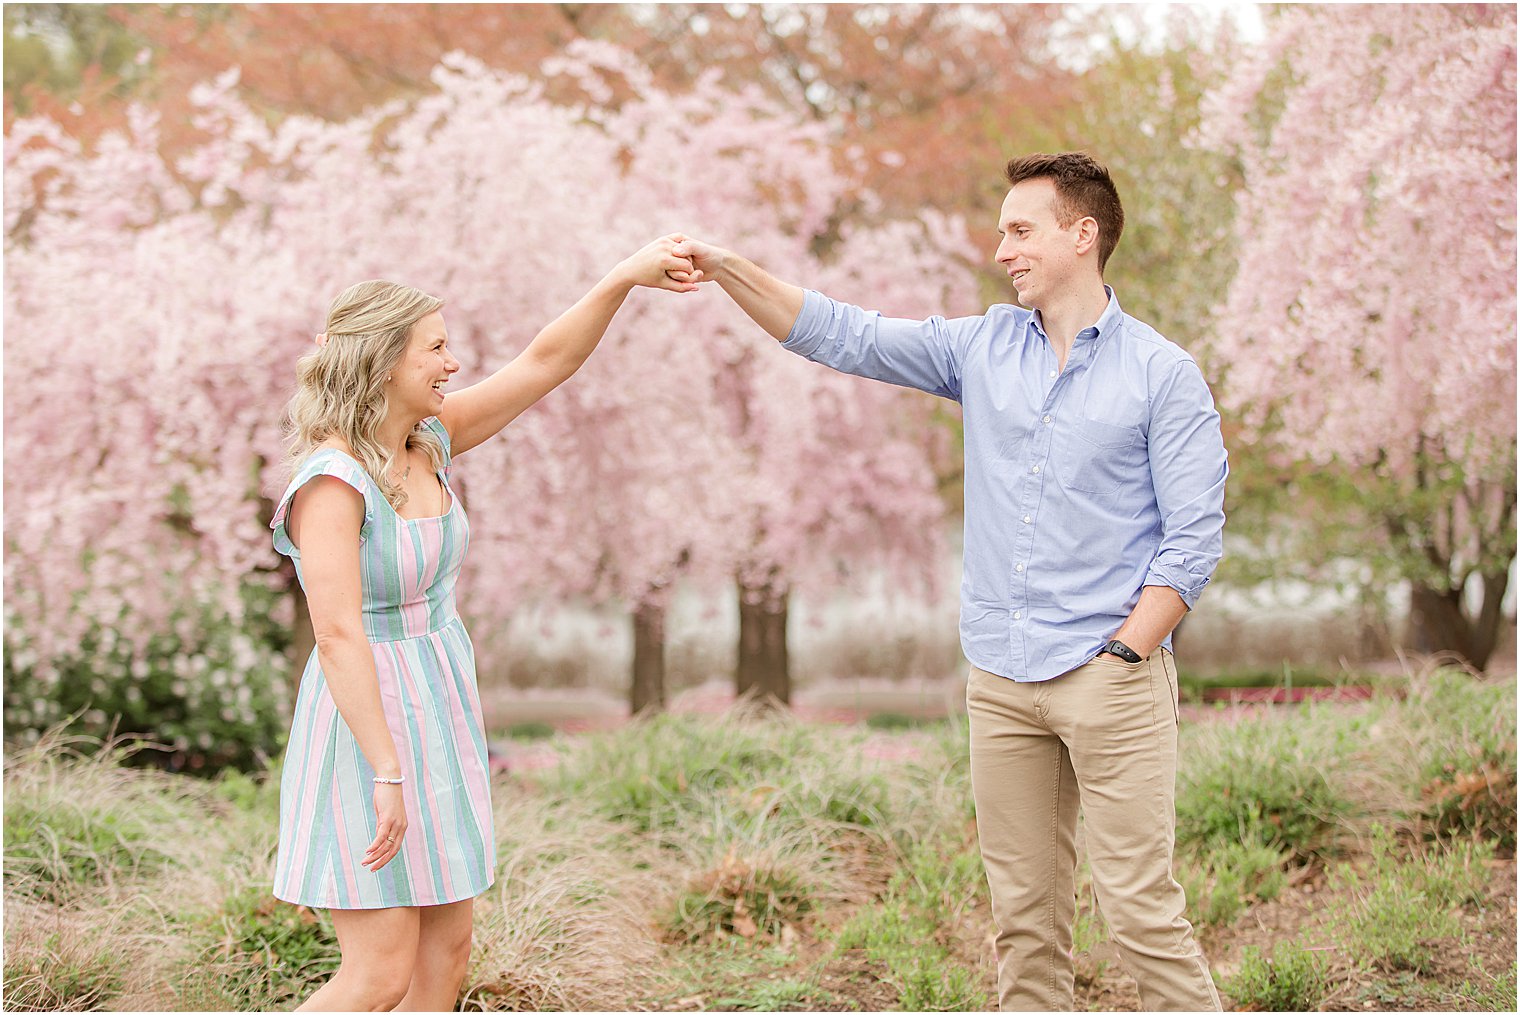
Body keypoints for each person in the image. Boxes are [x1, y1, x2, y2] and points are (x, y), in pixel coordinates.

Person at [669, 152, 1227, 1011]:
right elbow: (841, 332)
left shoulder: (1163, 374)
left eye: (1020, 229)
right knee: (1024, 925)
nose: (1002, 248)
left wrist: (1126, 653)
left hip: (1109, 677)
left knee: (1142, 915)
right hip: (1002, 681)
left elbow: (1191, 540)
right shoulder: (982, 347)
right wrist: (727, 266)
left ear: (1083, 235)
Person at [269, 237, 699, 1011]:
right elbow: (337, 634)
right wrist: (386, 770)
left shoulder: (429, 442)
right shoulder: (331, 484)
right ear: (383, 362)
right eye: (435, 347)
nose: (453, 362)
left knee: (446, 960)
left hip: (439, 703)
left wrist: (622, 277)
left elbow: (544, 363)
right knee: (378, 973)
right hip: (365, 724)